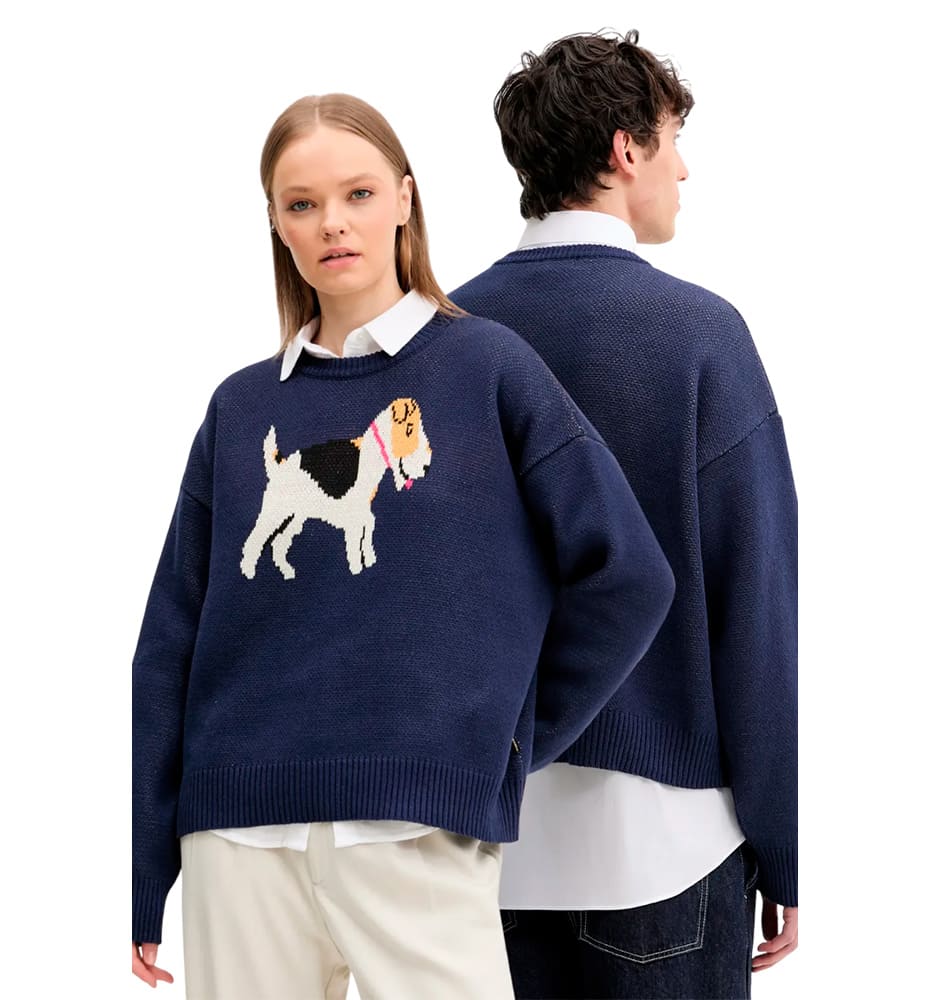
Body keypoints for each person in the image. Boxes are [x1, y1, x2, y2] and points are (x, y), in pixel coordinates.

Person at [130, 92, 676, 999]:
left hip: (418, 832)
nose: (332, 223)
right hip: (237, 842)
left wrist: (509, 742)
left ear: (404, 199)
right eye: (301, 204)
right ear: (276, 224)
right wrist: (148, 871)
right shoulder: (239, 407)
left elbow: (629, 575)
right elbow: (168, 645)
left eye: (357, 193)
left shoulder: (489, 368)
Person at [452, 29, 798, 1000]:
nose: (683, 169)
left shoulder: (445, 342)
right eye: (672, 141)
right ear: (624, 150)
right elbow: (755, 604)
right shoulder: (701, 337)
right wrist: (785, 841)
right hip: (666, 848)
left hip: (479, 852)